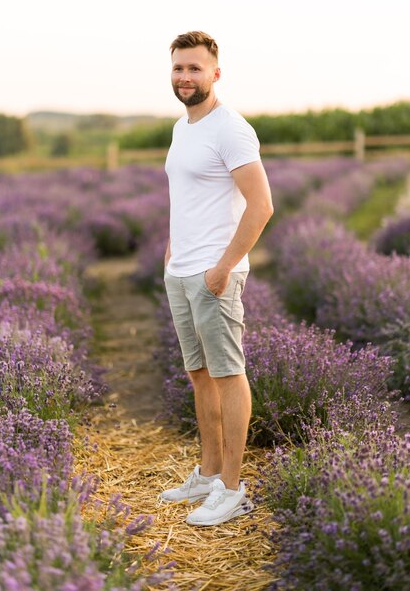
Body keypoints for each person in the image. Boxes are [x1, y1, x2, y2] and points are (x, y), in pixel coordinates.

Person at [160, 31, 273, 526]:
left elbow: (262, 205)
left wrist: (224, 267)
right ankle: (207, 475)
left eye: (195, 68)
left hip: (214, 275)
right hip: (180, 271)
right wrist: (171, 251)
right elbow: (185, 196)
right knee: (199, 374)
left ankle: (232, 486)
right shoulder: (182, 127)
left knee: (227, 375)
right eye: (179, 68)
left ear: (215, 73)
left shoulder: (231, 129)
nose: (186, 76)